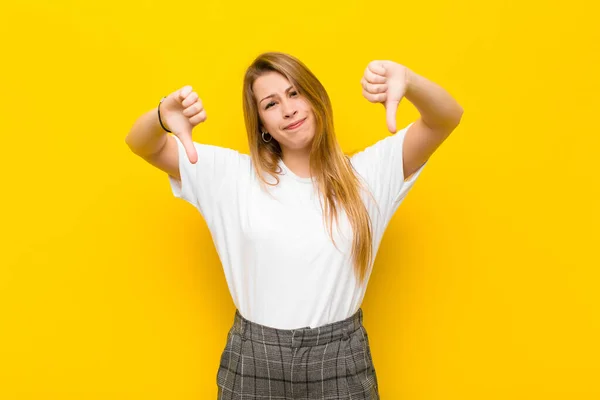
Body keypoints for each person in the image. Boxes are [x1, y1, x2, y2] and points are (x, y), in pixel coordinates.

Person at [125, 52, 463, 399]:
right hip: (254, 358)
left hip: (340, 361)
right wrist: (161, 116)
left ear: (315, 98)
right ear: (262, 124)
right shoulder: (231, 176)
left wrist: (409, 81)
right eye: (271, 104)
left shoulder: (368, 175)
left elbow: (446, 118)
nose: (287, 109)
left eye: (295, 93)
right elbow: (142, 144)